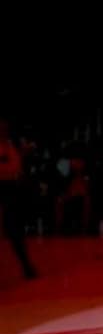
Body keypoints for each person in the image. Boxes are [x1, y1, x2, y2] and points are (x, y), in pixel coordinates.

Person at [0, 119, 37, 279]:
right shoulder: (5, 146)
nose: (4, 129)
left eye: (5, 126)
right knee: (12, 227)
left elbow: (16, 165)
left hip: (13, 188)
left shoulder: (10, 144)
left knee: (15, 229)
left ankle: (26, 265)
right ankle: (26, 265)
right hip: (3, 186)